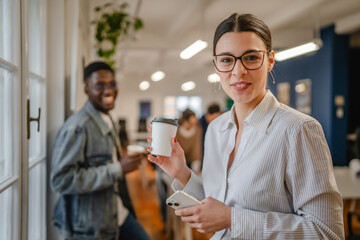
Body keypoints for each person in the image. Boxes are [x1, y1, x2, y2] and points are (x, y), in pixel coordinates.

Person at [147, 13, 344, 239]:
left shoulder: (298, 129)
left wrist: (232, 218)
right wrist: (181, 173)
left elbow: (328, 232)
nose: (238, 71)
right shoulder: (215, 130)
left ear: (270, 60)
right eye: (226, 59)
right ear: (216, 65)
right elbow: (218, 202)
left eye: (250, 57)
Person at [50, 61, 151, 240]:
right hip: (91, 227)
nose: (108, 91)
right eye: (100, 85)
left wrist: (125, 161)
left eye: (112, 84)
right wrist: (118, 168)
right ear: (86, 90)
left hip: (116, 213)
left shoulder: (106, 118)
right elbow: (60, 180)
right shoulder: (78, 127)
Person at [177, 108, 203, 174]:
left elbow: (197, 149)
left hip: (193, 161)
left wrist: (196, 166)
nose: (196, 119)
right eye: (193, 117)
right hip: (180, 161)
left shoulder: (198, 130)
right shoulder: (177, 131)